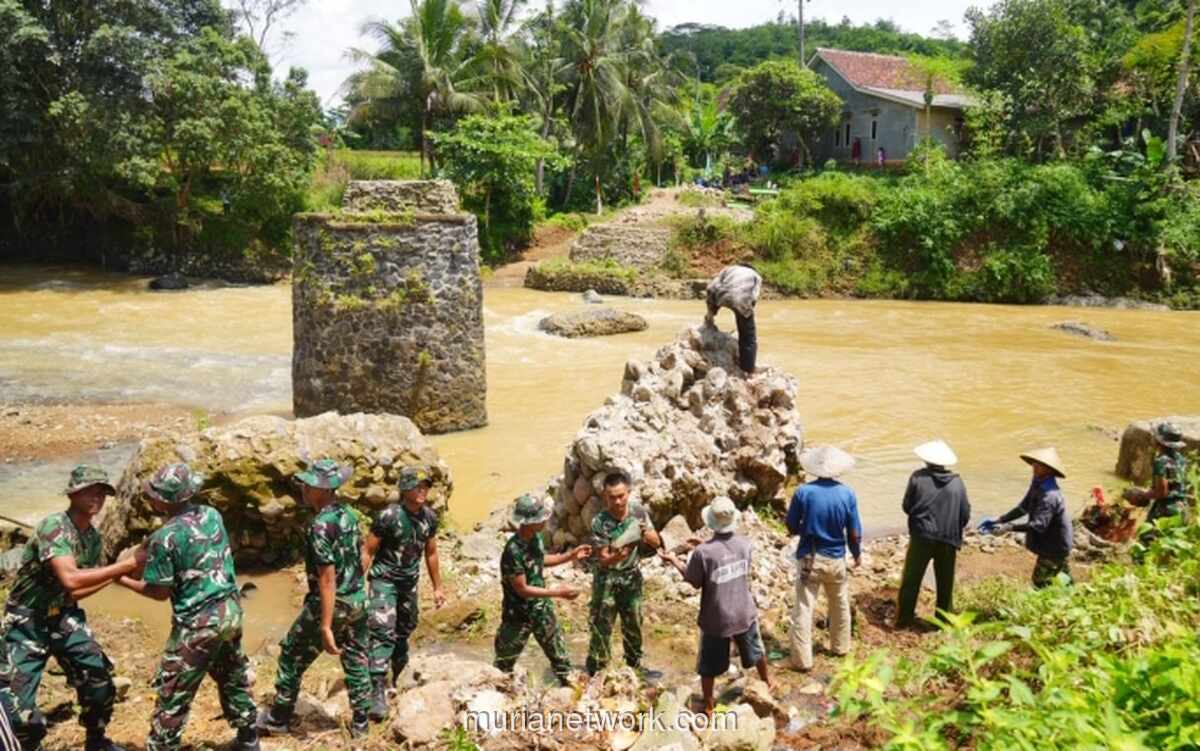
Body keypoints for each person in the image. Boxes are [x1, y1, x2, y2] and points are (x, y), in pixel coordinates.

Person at [0, 465, 145, 751]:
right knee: (19, 713)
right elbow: (72, 581)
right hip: (26, 622)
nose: (98, 497)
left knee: (99, 682)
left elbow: (80, 589)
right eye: (91, 490)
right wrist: (124, 566)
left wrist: (115, 574)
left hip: (64, 615)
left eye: (103, 492)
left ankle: (97, 740)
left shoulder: (92, 537)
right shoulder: (54, 527)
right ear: (73, 493)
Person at [119, 464, 260, 751]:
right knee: (231, 675)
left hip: (198, 625)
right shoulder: (211, 514)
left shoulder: (166, 537)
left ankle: (162, 746)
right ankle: (249, 739)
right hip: (230, 612)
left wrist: (122, 580)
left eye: (154, 495)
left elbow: (159, 592)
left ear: (165, 500)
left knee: (173, 692)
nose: (150, 499)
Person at [258, 459, 371, 739]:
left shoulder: (320, 526)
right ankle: (361, 726)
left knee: (292, 656)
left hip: (332, 604)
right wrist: (355, 588)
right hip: (357, 599)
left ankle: (278, 718)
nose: (303, 488)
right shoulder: (348, 514)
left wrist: (325, 625)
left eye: (308, 484)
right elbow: (358, 555)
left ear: (322, 489)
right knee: (356, 660)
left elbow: (327, 579)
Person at [659, 497, 770, 717]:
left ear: (711, 522)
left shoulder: (703, 554)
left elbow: (693, 581)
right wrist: (703, 545)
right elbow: (726, 557)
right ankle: (768, 682)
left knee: (708, 667)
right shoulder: (745, 544)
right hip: (744, 611)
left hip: (717, 619)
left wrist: (673, 560)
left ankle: (710, 706)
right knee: (756, 651)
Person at [361, 466, 444, 721]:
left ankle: (399, 674)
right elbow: (368, 550)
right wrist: (354, 583)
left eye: (425, 486)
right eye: (417, 486)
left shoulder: (429, 517)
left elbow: (431, 552)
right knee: (383, 629)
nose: (422, 491)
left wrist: (438, 587)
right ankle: (377, 690)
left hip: (409, 582)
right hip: (385, 580)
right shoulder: (388, 516)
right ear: (405, 489)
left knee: (405, 627)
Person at [493, 495, 590, 686]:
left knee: (561, 660)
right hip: (518, 615)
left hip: (541, 610)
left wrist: (570, 556)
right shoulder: (513, 551)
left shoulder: (535, 538)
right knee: (503, 666)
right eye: (541, 518)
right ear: (529, 522)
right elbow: (522, 589)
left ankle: (570, 691)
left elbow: (540, 560)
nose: (545, 520)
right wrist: (558, 593)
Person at [786, 446, 862, 672]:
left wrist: (805, 527)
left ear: (815, 468)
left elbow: (791, 525)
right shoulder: (847, 494)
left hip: (810, 558)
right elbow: (854, 533)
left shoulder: (803, 492)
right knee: (839, 602)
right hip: (836, 558)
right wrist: (856, 554)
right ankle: (840, 647)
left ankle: (802, 660)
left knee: (804, 607)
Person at [586, 471, 662, 678]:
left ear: (629, 492)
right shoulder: (600, 522)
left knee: (634, 623)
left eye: (621, 496)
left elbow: (656, 543)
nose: (617, 501)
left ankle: (634, 667)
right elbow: (602, 558)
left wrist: (646, 533)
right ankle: (597, 671)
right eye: (612, 497)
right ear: (605, 496)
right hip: (606, 580)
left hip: (631, 577)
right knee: (601, 626)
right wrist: (616, 557)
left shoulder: (638, 512)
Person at [895, 441, 971, 628]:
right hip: (948, 538)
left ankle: (904, 619)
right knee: (945, 581)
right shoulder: (957, 482)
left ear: (926, 461)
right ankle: (943, 620)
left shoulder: (917, 478)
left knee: (912, 578)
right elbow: (965, 514)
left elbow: (907, 506)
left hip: (922, 535)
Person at [979, 448, 1073, 588]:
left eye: (1039, 465)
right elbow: (1024, 507)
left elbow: (1038, 526)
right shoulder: (1038, 482)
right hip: (1052, 542)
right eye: (1034, 464)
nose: (1034, 467)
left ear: (1049, 470)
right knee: (1063, 579)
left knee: (1040, 582)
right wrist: (1000, 519)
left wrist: (1010, 527)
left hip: (1055, 544)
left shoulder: (1050, 496)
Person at [1123, 423, 1193, 546]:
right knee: (1170, 547)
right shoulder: (1181, 459)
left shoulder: (1161, 461)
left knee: (1146, 543)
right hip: (1182, 509)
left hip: (1166, 510)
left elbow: (1162, 492)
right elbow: (1174, 486)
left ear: (1159, 442)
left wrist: (1141, 495)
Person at [704, 264, 763, 375]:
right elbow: (754, 297)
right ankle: (748, 372)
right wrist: (745, 317)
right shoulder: (756, 276)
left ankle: (709, 321)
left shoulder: (729, 269)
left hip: (721, 294)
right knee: (748, 337)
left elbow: (712, 287)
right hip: (741, 298)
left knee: (713, 306)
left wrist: (711, 310)